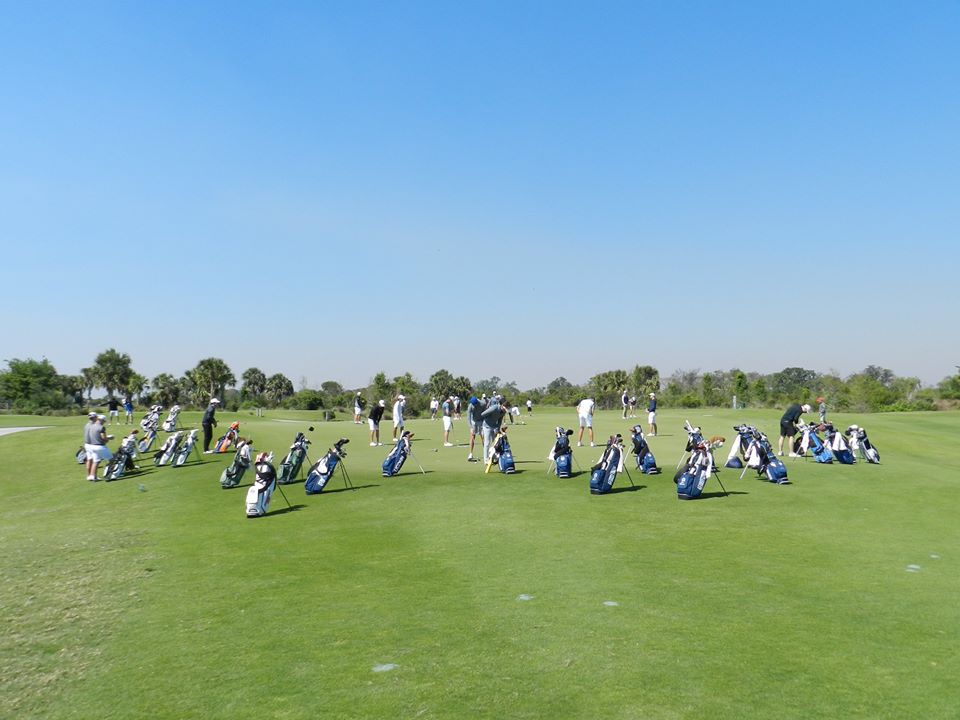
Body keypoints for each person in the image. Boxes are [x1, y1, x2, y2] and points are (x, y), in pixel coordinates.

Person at [83, 412, 113, 481]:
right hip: (99, 446)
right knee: (111, 460)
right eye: (104, 421)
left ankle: (92, 476)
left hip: (90, 445)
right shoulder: (101, 427)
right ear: (102, 420)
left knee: (95, 461)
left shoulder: (90, 425)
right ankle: (110, 474)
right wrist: (108, 439)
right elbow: (103, 438)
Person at [480, 394, 505, 462]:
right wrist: (488, 419)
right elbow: (483, 414)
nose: (505, 408)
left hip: (494, 426)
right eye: (504, 406)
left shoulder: (503, 411)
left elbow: (500, 420)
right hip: (486, 426)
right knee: (487, 443)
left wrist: (498, 429)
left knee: (496, 442)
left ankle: (494, 456)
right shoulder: (494, 408)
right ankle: (486, 460)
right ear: (501, 405)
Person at [466, 395, 483, 461]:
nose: (474, 405)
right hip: (473, 421)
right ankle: (470, 453)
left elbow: (486, 412)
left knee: (483, 436)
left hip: (481, 421)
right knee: (472, 436)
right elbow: (468, 417)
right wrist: (471, 427)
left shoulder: (482, 403)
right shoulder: (470, 406)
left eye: (475, 404)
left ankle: (486, 452)